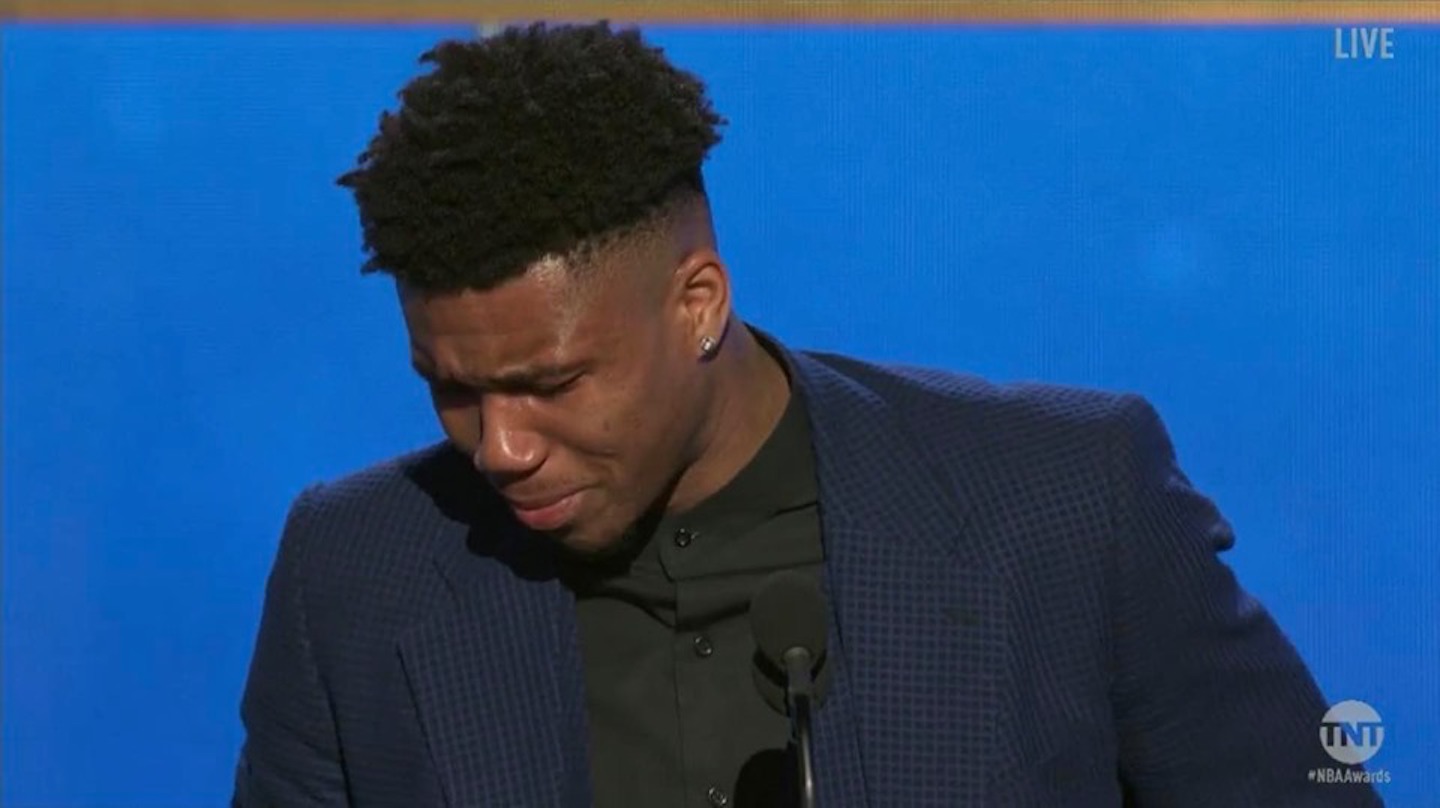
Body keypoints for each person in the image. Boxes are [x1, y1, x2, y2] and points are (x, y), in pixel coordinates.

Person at [232, 20, 1383, 808]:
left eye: (552, 384)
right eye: (452, 389)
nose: (502, 447)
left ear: (697, 304)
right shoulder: (356, 570)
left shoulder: (1071, 505)